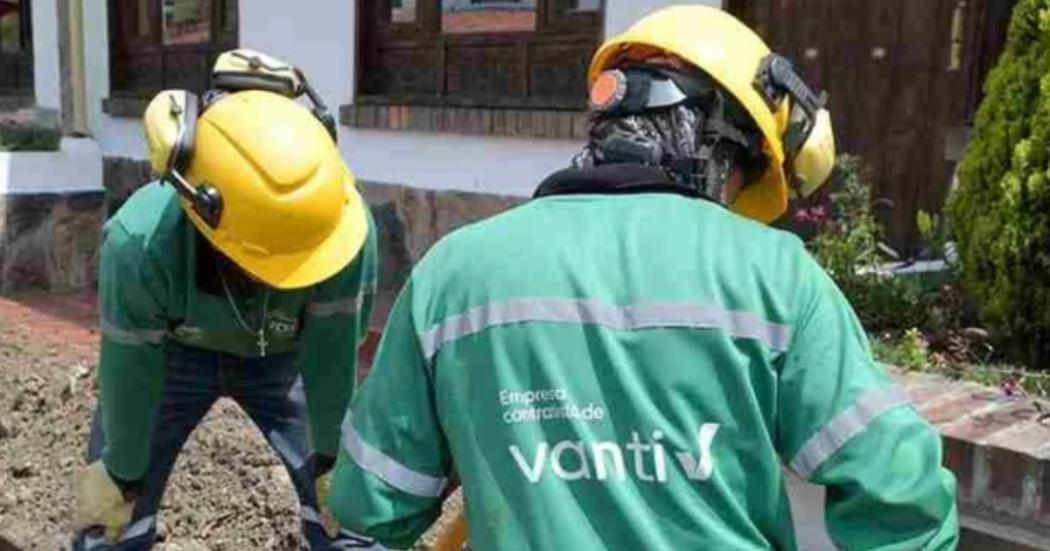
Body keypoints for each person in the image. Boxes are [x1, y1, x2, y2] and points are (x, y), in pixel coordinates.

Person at [325, 6, 958, 551]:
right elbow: (899, 492)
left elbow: (372, 503)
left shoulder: (453, 274)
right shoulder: (776, 277)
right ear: (723, 146)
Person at [72, 50, 383, 550]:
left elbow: (332, 355)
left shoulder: (341, 228)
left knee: (351, 511)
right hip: (172, 356)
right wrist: (123, 472)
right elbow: (130, 373)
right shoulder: (140, 243)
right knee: (110, 515)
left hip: (287, 356)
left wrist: (331, 457)